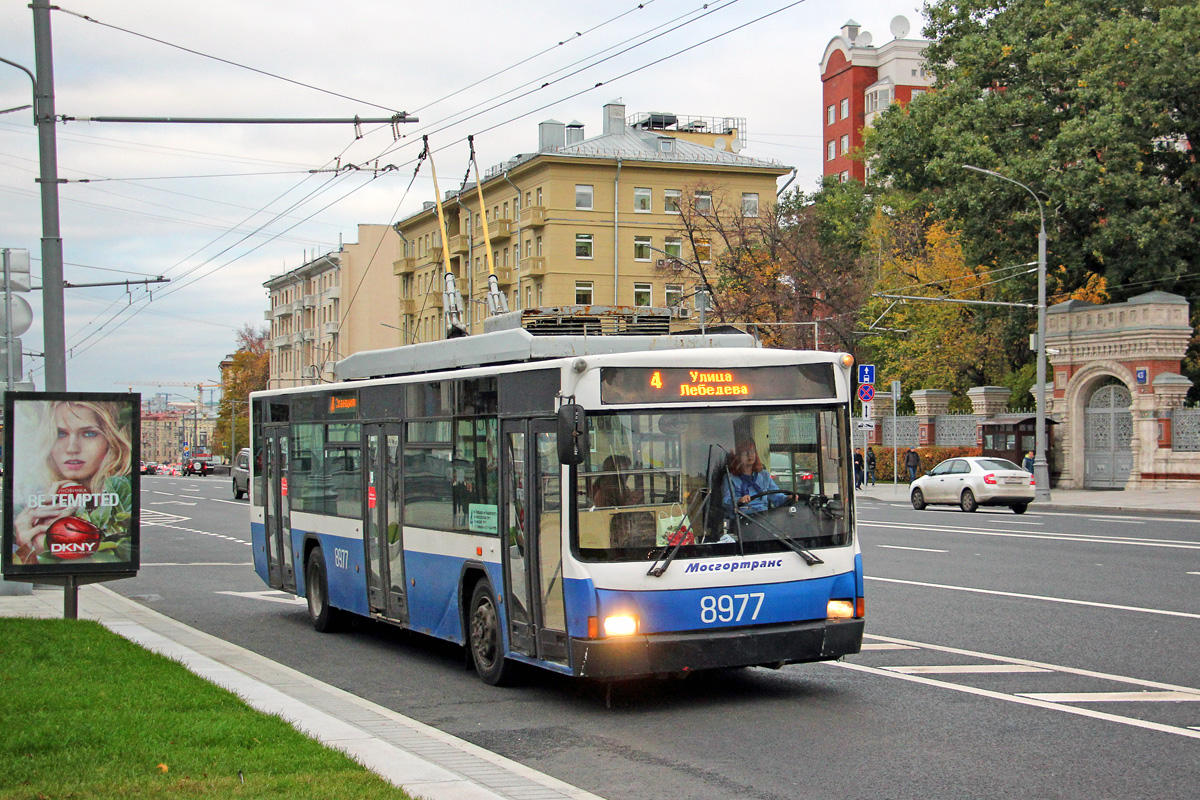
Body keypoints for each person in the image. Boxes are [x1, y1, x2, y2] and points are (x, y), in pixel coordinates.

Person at [12, 400, 134, 564]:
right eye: (61, 434)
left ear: (113, 440)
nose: (71, 448)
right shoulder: (37, 508)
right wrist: (28, 548)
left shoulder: (122, 507)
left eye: (89, 434)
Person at [722, 439, 794, 517]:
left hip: (763, 519)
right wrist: (739, 500)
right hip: (742, 520)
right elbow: (726, 502)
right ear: (738, 456)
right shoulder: (730, 477)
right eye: (746, 453)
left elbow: (777, 497)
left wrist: (788, 498)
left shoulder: (764, 475)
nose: (750, 455)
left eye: (752, 451)